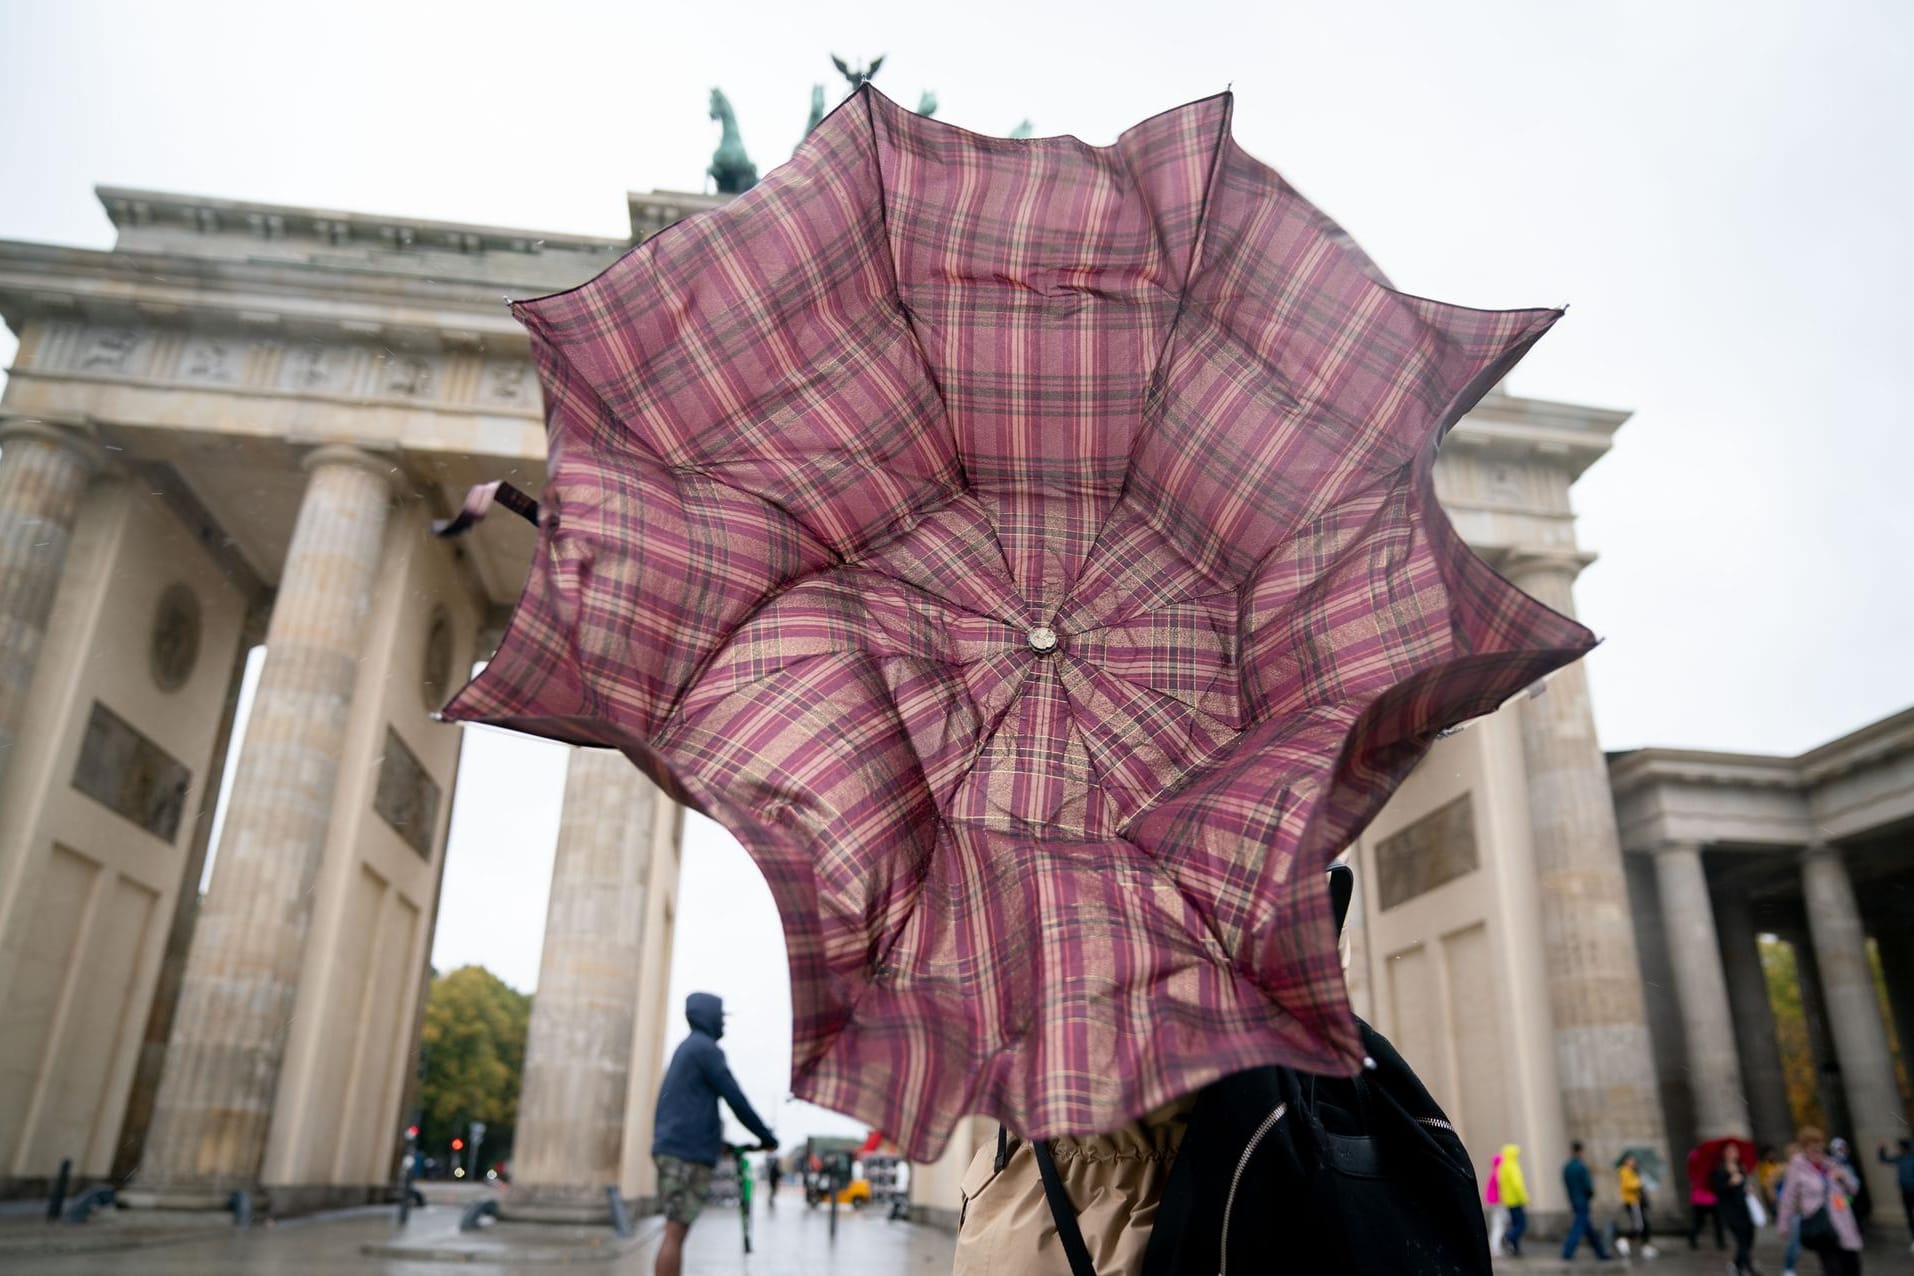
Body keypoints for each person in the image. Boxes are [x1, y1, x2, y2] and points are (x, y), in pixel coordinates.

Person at [650, 993, 778, 1276]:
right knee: (675, 1231)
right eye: (721, 1017)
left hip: (675, 1148)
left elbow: (687, 1111)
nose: (723, 1023)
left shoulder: (688, 1049)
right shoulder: (705, 1050)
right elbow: (735, 1098)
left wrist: (719, 1144)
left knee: (676, 1230)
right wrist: (767, 1137)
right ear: (707, 1016)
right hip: (684, 1154)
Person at [1776, 1126, 1862, 1276]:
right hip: (1821, 1225)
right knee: (1833, 1268)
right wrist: (1784, 1225)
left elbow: (1853, 1191)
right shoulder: (1798, 1168)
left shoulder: (1832, 1165)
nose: (1817, 1151)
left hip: (1843, 1223)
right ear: (1804, 1148)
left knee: (1852, 1266)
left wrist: (1844, 1179)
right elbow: (1788, 1197)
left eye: (1819, 1146)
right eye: (1812, 1147)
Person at [1710, 1141, 1758, 1275]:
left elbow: (1743, 1186)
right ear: (1724, 1153)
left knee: (1749, 1238)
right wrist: (1730, 1182)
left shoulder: (1741, 1168)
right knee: (1741, 1240)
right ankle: (1747, 1269)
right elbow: (1718, 1190)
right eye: (1730, 1151)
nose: (1733, 1153)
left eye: (1734, 1150)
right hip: (1731, 1211)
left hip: (1744, 1208)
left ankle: (1737, 1265)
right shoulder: (1719, 1170)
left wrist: (1748, 1189)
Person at [1561, 1140, 1611, 1261]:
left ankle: (1600, 1252)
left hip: (1574, 1199)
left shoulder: (1567, 1167)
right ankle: (1568, 1251)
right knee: (1579, 1226)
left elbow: (1567, 1185)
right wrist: (1590, 1194)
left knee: (1588, 1228)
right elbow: (1587, 1185)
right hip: (1582, 1200)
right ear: (1580, 1151)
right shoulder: (1580, 1167)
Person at [1616, 1151, 1659, 1259]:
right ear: (1626, 1161)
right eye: (1631, 1160)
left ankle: (1646, 1247)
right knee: (1639, 1226)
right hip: (1632, 1202)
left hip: (1637, 1202)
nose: (1633, 1162)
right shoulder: (1624, 1171)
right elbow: (1628, 1185)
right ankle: (1624, 1241)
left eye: (1634, 1160)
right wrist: (1639, 1182)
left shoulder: (1633, 1171)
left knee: (1645, 1225)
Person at [1878, 1137, 1914, 1252]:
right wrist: (1881, 1149)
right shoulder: (1899, 1158)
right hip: (1905, 1192)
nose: (1897, 1149)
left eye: (1898, 1147)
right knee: (1910, 1216)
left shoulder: (1911, 1158)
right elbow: (1883, 1160)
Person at [1497, 1143, 1530, 1256]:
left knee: (1515, 1223)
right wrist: (1524, 1197)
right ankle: (1508, 1237)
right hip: (1516, 1200)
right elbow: (1517, 1185)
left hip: (1508, 1200)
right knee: (1522, 1224)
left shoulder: (1503, 1166)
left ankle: (1515, 1249)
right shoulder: (1513, 1166)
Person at [1486, 1146, 1508, 1257]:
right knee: (1499, 1226)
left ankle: (1494, 1247)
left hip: (1493, 1202)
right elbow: (1501, 1189)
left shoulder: (1494, 1172)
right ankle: (1496, 1248)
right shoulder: (1499, 1173)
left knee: (1496, 1225)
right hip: (1498, 1202)